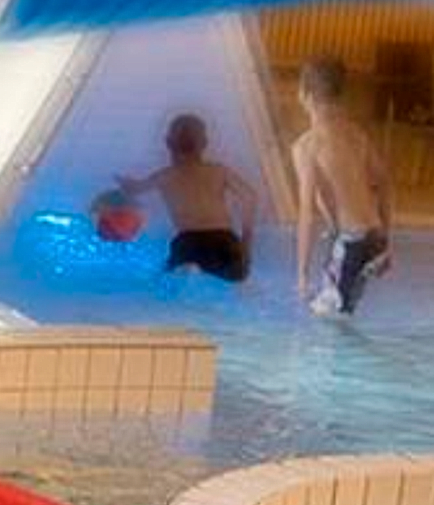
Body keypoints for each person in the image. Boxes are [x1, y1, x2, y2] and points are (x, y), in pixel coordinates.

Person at [288, 57, 396, 317]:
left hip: (351, 243)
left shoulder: (307, 146)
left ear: (305, 94)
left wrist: (301, 274)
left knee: (325, 324)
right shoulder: (355, 134)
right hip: (373, 239)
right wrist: (384, 237)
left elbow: (306, 214)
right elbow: (384, 182)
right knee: (343, 311)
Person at [117, 111, 258, 282]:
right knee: (237, 277)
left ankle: (190, 270)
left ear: (168, 143)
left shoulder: (165, 176)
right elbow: (250, 197)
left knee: (163, 280)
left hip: (188, 244)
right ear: (205, 144)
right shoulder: (219, 171)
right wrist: (246, 240)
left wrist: (122, 182)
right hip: (224, 241)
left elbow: (134, 189)